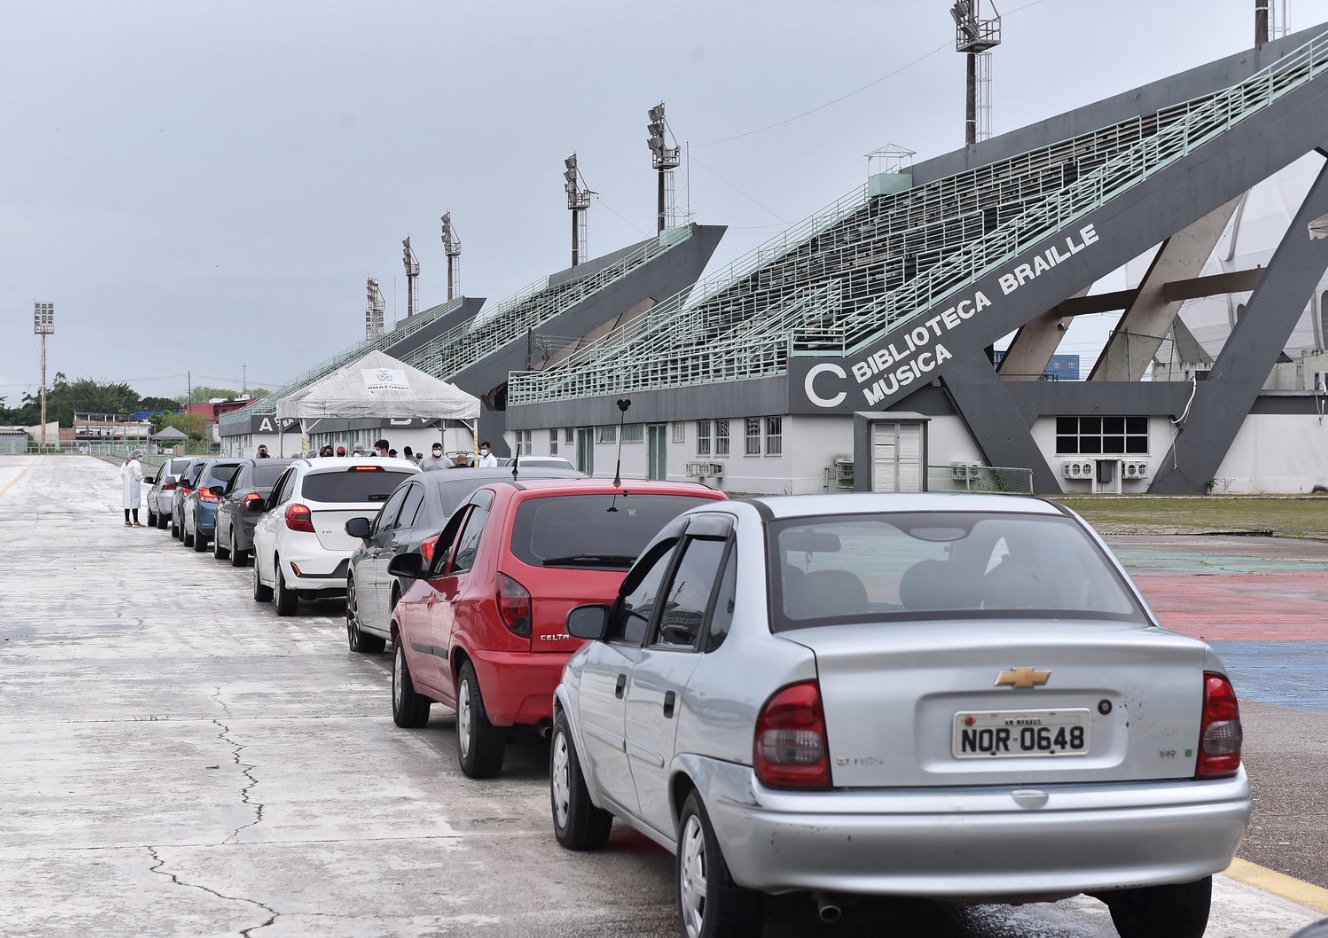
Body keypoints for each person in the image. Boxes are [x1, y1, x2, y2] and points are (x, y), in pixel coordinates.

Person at [121, 451, 145, 527]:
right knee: (135, 502)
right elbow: (137, 474)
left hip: (126, 484)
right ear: (136, 456)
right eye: (139, 456)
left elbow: (121, 473)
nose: (139, 458)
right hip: (134, 484)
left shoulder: (125, 463)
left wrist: (126, 480)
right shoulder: (135, 463)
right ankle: (136, 521)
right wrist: (141, 478)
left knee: (127, 502)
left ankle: (127, 521)